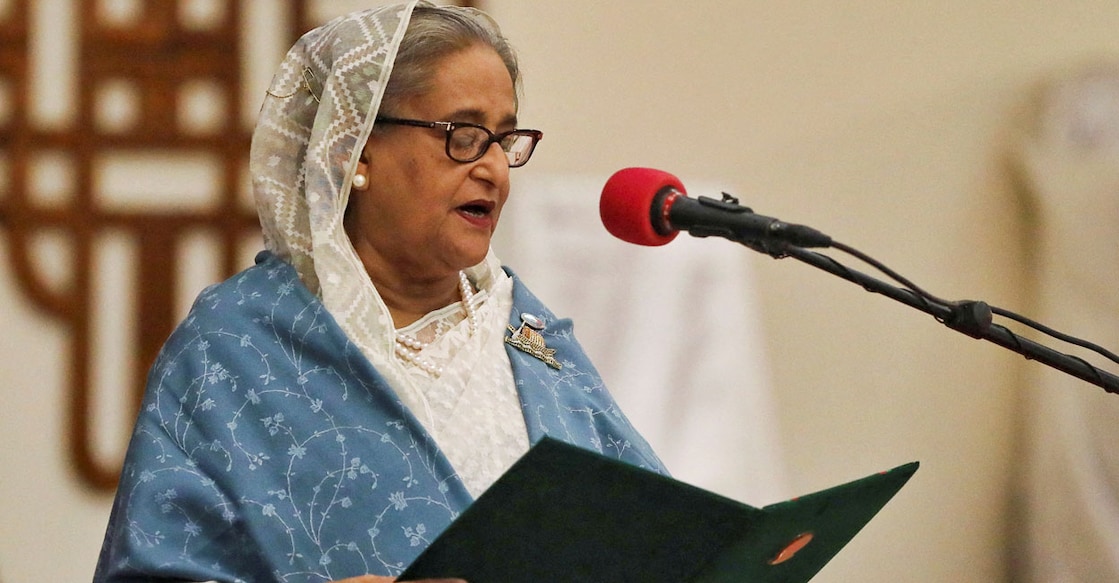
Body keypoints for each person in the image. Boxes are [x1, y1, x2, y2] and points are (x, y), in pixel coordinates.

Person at [93, 2, 664, 581]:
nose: (494, 168)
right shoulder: (234, 349)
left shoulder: (528, 335)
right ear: (355, 149)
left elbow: (662, 540)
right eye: (464, 135)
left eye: (505, 138)